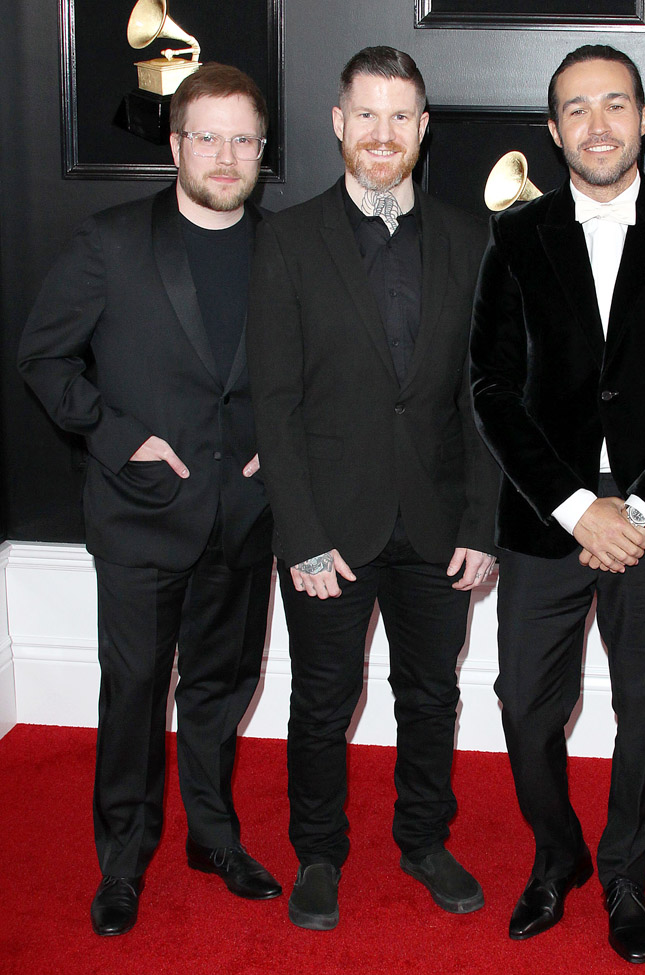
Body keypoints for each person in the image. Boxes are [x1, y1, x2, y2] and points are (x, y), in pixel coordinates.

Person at [470, 44, 645, 965]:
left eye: (615, 104)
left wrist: (643, 509)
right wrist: (579, 505)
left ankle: (626, 870)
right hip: (550, 517)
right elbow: (493, 390)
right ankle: (560, 856)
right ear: (553, 132)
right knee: (522, 707)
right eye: (576, 109)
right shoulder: (515, 238)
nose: (597, 124)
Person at [18, 63, 281, 936]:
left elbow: (315, 381)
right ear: (174, 145)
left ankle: (212, 835)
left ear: (261, 149)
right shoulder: (111, 242)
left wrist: (274, 453)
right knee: (133, 689)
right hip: (139, 511)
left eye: (242, 137)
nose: (225, 153)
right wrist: (123, 434)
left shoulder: (288, 250)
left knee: (219, 685)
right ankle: (123, 859)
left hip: (242, 517)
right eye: (206, 135)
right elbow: (46, 360)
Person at [246, 46, 499, 932]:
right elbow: (273, 402)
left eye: (402, 117)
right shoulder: (285, 236)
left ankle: (424, 839)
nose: (383, 134)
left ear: (423, 130)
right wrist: (301, 532)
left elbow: (485, 394)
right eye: (368, 115)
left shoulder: (472, 239)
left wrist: (483, 520)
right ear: (338, 123)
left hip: (438, 524)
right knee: (322, 698)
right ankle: (318, 851)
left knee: (431, 694)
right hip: (330, 530)